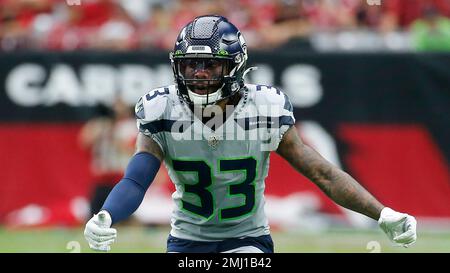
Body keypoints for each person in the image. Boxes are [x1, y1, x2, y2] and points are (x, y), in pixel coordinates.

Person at [84, 15, 417, 253]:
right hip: (186, 241)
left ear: (234, 66)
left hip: (247, 241)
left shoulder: (263, 107)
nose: (199, 74)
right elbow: (136, 180)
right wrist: (107, 214)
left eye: (210, 65)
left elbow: (324, 173)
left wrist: (382, 212)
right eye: (190, 65)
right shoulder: (163, 108)